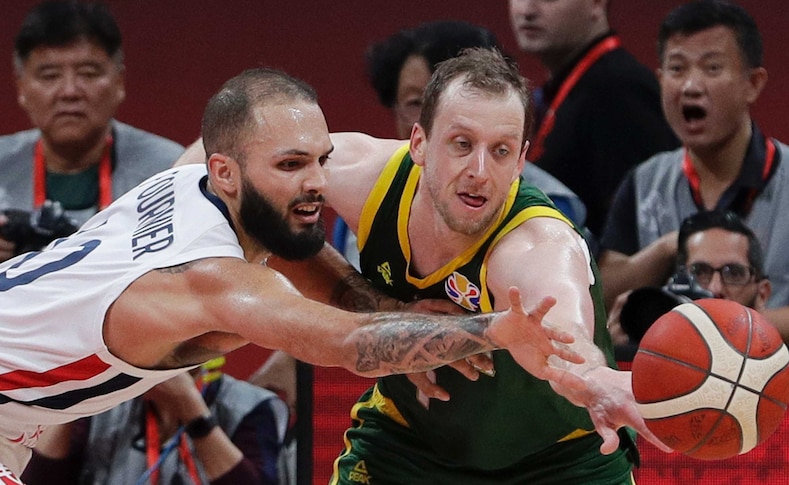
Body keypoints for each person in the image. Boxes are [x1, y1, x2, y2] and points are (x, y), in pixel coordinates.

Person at [0, 67, 588, 481]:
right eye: (290, 165)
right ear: (226, 171)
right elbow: (349, 347)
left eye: (320, 159)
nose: (316, 182)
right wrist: (496, 330)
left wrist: (384, 310)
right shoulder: (210, 278)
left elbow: (289, 247)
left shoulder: (187, 182)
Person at [261, 48, 670, 484]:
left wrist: (593, 377)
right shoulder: (362, 177)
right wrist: (378, 309)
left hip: (559, 462)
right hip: (411, 444)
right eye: (462, 144)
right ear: (419, 143)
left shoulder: (538, 245)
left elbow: (566, 332)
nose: (479, 170)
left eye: (500, 151)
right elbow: (238, 174)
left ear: (520, 162)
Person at [599, 0, 789, 346]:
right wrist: (667, 248)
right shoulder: (642, 181)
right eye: (677, 69)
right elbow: (601, 293)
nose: (690, 86)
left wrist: (714, 329)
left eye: (711, 68)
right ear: (661, 80)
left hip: (774, 389)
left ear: (753, 83)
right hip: (661, 391)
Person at [334, 19, 589, 268]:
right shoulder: (363, 190)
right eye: (415, 103)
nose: (428, 115)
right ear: (418, 140)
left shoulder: (549, 208)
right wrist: (376, 303)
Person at [0, 0, 185, 263]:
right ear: (20, 88)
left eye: (88, 73)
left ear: (119, 82)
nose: (70, 92)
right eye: (50, 76)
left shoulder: (168, 169)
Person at [508, 0, 678, 236]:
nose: (526, 10)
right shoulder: (563, 88)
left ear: (597, 3)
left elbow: (639, 230)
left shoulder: (620, 89)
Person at [21, 358, 290, 484]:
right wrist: (76, 398)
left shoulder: (253, 405)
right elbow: (41, 480)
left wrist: (192, 411)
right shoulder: (105, 401)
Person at [607, 210, 771, 345]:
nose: (715, 289)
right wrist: (618, 355)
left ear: (762, 294)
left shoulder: (784, 374)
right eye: (699, 272)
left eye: (734, 273)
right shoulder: (652, 354)